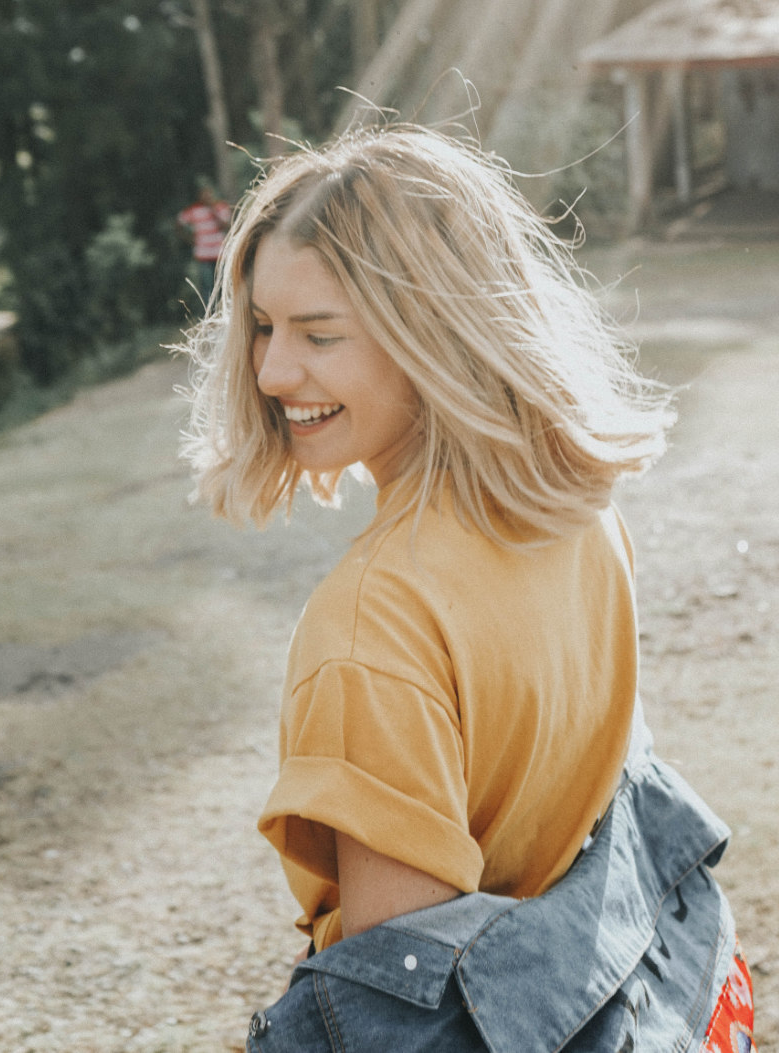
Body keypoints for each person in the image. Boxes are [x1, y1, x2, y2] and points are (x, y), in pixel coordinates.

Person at [180, 124, 757, 1051]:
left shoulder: (375, 623)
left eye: (319, 333)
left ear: (431, 332)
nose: (272, 371)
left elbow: (405, 1014)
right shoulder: (576, 510)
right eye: (261, 324)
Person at [176, 180, 231, 307]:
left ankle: (223, 311)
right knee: (207, 287)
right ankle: (209, 314)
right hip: (203, 255)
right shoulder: (194, 210)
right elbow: (179, 222)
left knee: (223, 285)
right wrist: (189, 239)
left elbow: (226, 224)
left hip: (220, 254)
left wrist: (213, 209)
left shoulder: (221, 207)